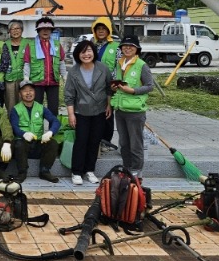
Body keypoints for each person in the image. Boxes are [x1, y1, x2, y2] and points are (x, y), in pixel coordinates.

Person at [64, 40, 113, 186]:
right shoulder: (73, 71)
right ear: (78, 54)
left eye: (89, 51)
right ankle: (76, 172)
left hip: (99, 110)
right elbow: (69, 95)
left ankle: (90, 170)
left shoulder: (103, 68)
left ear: (94, 52)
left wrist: (109, 105)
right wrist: (71, 114)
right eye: (83, 52)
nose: (86, 54)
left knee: (94, 141)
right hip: (81, 111)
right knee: (81, 141)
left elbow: (109, 88)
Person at [110, 35, 154, 178]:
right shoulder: (119, 63)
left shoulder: (142, 65)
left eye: (131, 46)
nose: (127, 48)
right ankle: (127, 168)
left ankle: (136, 171)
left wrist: (133, 91)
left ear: (137, 49)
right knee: (123, 142)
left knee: (136, 144)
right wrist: (114, 86)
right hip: (120, 108)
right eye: (124, 46)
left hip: (135, 111)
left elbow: (149, 86)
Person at [10, 80, 61, 183]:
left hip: (38, 143)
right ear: (20, 94)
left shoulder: (41, 107)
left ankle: (44, 171)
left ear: (35, 92)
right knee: (19, 144)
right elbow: (14, 127)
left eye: (31, 90)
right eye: (25, 91)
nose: (28, 93)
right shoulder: (16, 109)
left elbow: (55, 121)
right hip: (23, 145)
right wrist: (23, 134)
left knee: (53, 143)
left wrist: (50, 132)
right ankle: (22, 172)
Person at [23, 16, 66, 114]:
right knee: (36, 109)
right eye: (42, 29)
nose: (45, 31)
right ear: (38, 31)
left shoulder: (56, 44)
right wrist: (26, 78)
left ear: (51, 31)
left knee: (54, 108)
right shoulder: (31, 45)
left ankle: (53, 129)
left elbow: (61, 62)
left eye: (48, 29)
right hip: (37, 82)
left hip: (53, 82)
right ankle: (37, 129)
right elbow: (27, 63)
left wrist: (64, 76)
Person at [92, 17, 121, 152]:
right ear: (95, 31)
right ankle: (95, 139)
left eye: (104, 29)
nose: (101, 31)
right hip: (92, 85)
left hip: (108, 85)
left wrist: (113, 82)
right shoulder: (91, 45)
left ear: (108, 30)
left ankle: (106, 141)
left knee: (108, 113)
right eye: (98, 29)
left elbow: (118, 66)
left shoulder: (115, 46)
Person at [4, 19, 30, 111]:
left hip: (24, 78)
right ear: (9, 31)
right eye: (12, 29)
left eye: (18, 28)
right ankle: (11, 123)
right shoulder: (5, 44)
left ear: (22, 30)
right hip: (9, 78)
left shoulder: (28, 43)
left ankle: (24, 123)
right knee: (10, 103)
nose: (15, 31)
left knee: (24, 102)